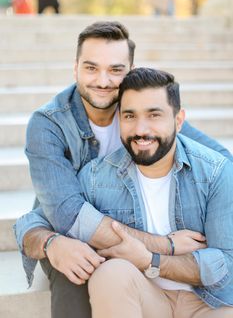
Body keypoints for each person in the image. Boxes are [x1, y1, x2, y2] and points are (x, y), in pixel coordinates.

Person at [15, 22, 233, 318]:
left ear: (130, 70)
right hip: (66, 214)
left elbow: (217, 161)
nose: (103, 81)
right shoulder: (49, 124)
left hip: (127, 229)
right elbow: (67, 214)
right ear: (75, 68)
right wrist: (163, 245)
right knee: (76, 270)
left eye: (115, 70)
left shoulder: (140, 106)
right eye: (91, 68)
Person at [67, 68, 233, 316]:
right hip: (145, 297)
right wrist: (52, 243)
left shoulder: (216, 171)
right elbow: (43, 218)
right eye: (130, 116)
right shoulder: (95, 177)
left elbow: (225, 263)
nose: (140, 129)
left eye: (154, 115)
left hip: (209, 302)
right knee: (111, 274)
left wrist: (149, 260)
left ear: (178, 120)